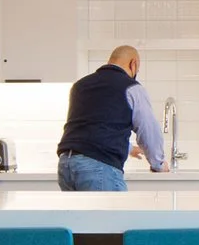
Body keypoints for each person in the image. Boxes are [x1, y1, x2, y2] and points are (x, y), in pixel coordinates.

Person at [56, 45, 167, 192]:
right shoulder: (131, 87)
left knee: (81, 216)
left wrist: (129, 148)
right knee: (112, 215)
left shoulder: (80, 86)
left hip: (66, 166)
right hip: (98, 167)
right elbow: (148, 130)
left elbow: (91, 126)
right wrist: (158, 164)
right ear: (133, 64)